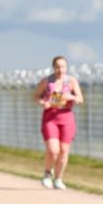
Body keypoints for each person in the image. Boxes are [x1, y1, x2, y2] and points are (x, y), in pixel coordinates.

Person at [33, 55, 83, 190]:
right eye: (57, 67)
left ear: (66, 68)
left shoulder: (71, 81)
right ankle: (47, 174)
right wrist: (43, 102)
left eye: (63, 67)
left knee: (63, 151)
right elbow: (36, 96)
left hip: (66, 118)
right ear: (53, 68)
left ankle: (58, 179)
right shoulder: (47, 81)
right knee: (53, 150)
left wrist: (70, 97)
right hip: (50, 118)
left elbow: (80, 99)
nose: (60, 70)